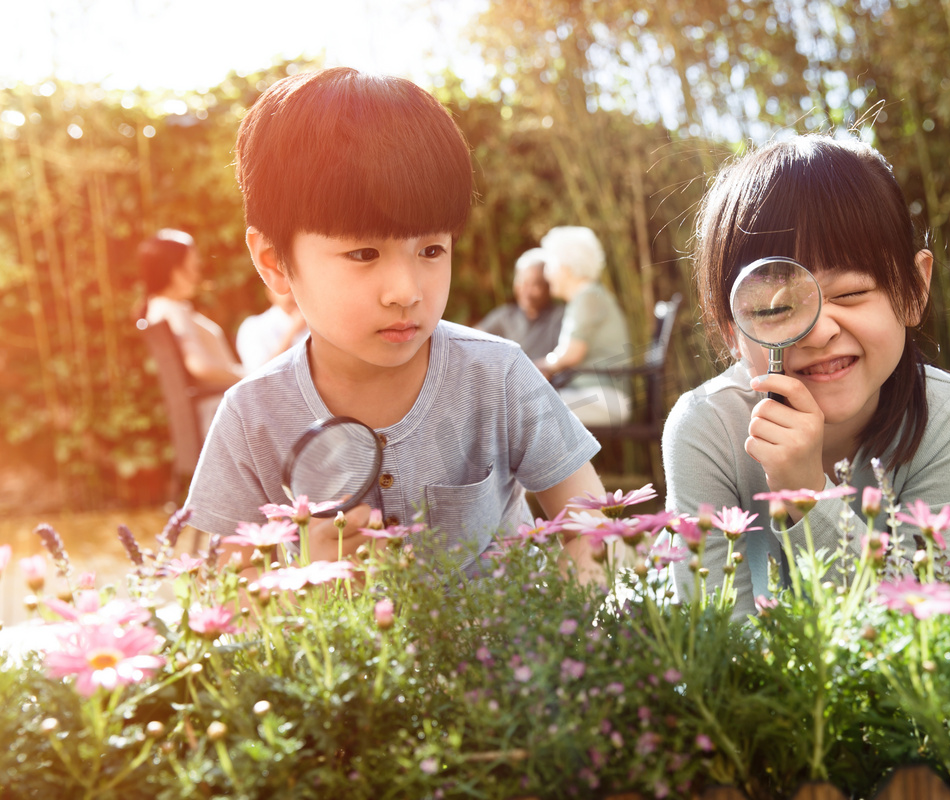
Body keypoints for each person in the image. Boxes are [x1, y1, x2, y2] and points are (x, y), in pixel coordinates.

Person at [184, 68, 608, 582]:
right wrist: (306, 577)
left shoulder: (496, 374)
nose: (406, 290)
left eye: (431, 249)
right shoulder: (252, 418)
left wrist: (575, 636)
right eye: (364, 253)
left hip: (507, 658)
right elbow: (230, 599)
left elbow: (587, 521)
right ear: (274, 262)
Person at [664, 135, 950, 618]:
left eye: (852, 292)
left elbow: (927, 624)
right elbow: (714, 641)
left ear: (915, 288)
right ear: (731, 328)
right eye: (779, 307)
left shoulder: (945, 409)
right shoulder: (707, 427)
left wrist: (808, 494)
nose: (818, 332)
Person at [138, 228, 245, 433]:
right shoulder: (173, 310)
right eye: (194, 267)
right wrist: (248, 376)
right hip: (222, 413)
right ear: (176, 272)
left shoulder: (159, 309)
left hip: (216, 411)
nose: (198, 274)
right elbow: (200, 366)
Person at [535, 226, 632, 426]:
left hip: (604, 400)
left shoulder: (588, 297)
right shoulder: (588, 296)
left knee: (527, 412)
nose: (547, 274)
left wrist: (536, 366)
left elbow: (571, 353)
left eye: (550, 265)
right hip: (594, 395)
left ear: (566, 267)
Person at [475, 248, 564, 361]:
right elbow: (472, 340)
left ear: (548, 286)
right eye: (522, 282)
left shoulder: (560, 318)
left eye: (535, 285)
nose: (526, 291)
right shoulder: (504, 316)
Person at [236, 285, 308, 371]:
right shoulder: (252, 327)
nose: (293, 295)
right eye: (288, 290)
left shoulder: (316, 323)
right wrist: (292, 331)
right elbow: (259, 374)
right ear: (270, 293)